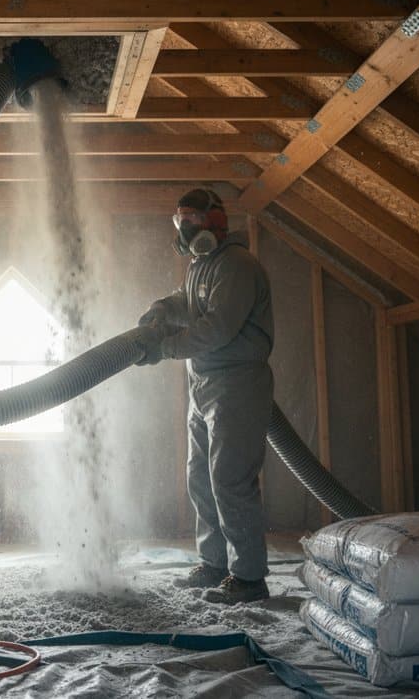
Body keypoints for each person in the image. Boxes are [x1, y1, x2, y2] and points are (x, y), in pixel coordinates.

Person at [130, 188, 275, 605]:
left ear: (215, 221)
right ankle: (214, 563)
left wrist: (164, 347)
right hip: (203, 383)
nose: (185, 229)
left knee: (230, 479)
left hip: (236, 384)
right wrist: (162, 309)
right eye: (181, 222)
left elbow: (216, 328)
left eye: (192, 220)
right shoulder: (202, 265)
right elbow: (188, 304)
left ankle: (248, 579)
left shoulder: (237, 266)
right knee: (200, 477)